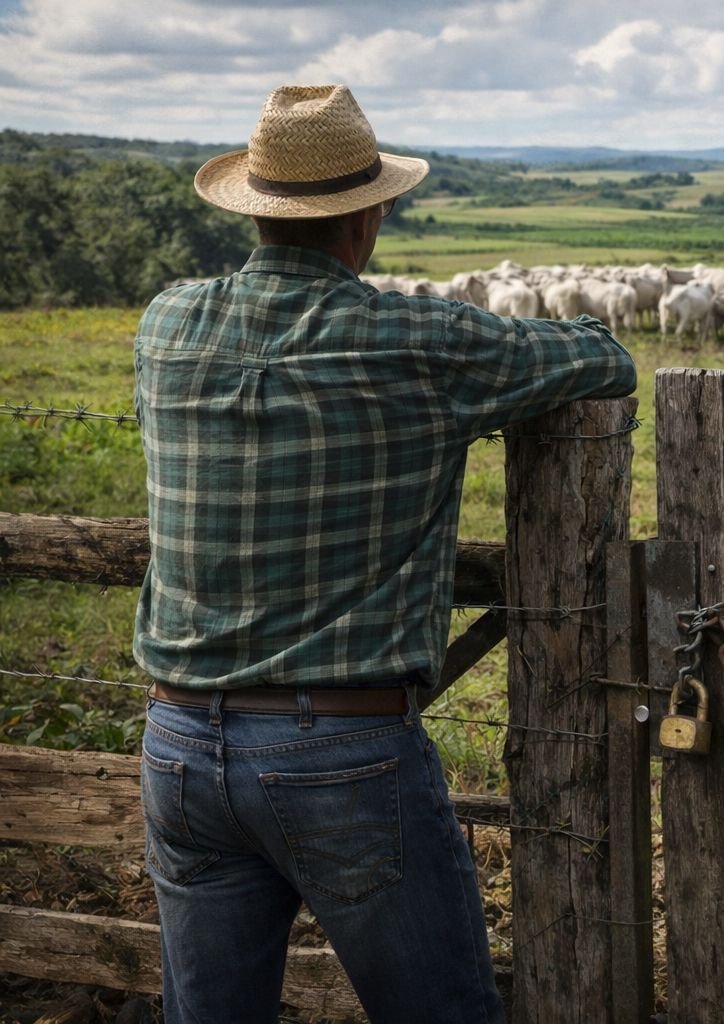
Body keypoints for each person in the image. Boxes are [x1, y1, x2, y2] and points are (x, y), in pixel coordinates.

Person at [132, 84, 636, 1024]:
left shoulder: (167, 324)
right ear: (368, 215)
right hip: (342, 749)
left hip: (180, 747)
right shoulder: (415, 341)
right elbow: (601, 357)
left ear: (253, 205)